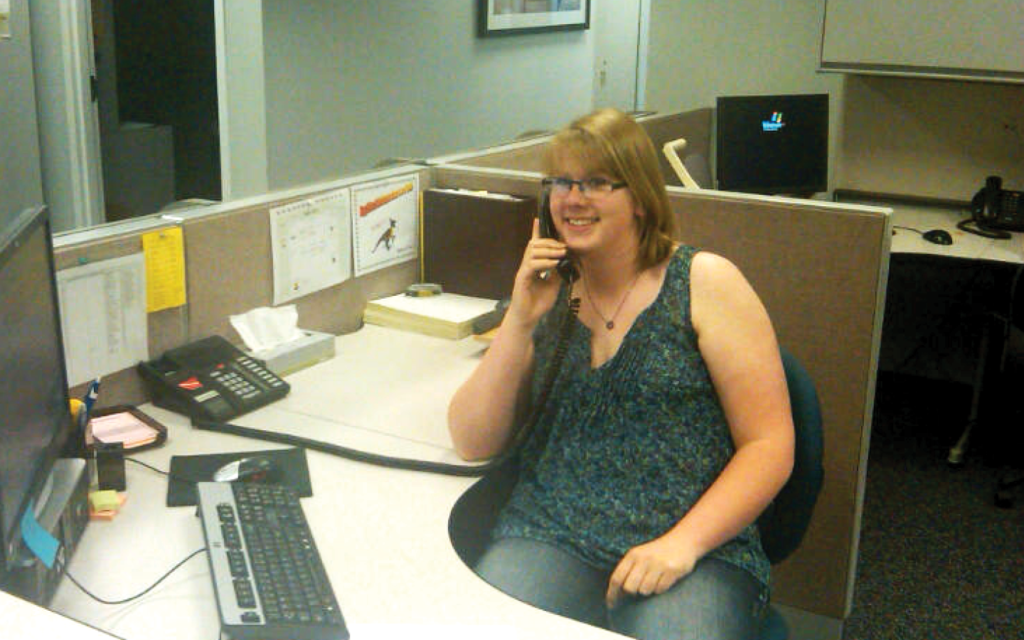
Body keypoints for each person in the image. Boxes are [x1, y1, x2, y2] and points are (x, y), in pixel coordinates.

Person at [447, 108, 795, 640]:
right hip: (552, 533)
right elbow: (472, 441)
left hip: (691, 546)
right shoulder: (549, 291)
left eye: (595, 183)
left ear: (638, 197)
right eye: (561, 182)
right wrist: (519, 320)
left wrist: (682, 545)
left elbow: (769, 444)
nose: (573, 198)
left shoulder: (705, 282)